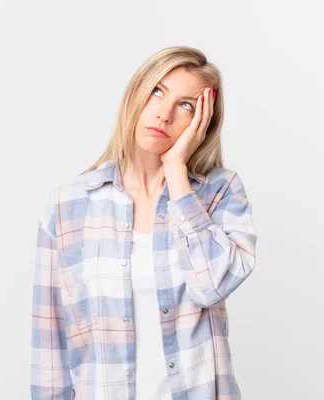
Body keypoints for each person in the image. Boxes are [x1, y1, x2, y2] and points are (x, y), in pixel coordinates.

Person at [31, 45, 258, 400]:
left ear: (203, 121)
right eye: (157, 92)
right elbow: (50, 338)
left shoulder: (220, 193)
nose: (164, 114)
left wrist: (177, 176)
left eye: (186, 105)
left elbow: (211, 286)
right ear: (136, 94)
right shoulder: (69, 204)